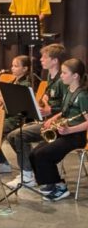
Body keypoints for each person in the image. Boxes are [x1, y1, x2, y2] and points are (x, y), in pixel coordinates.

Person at [5, 43, 67, 189]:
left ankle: (27, 175)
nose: (40, 60)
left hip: (57, 123)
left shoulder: (62, 79)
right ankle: (28, 171)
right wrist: (44, 100)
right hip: (47, 120)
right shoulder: (51, 76)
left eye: (45, 57)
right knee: (12, 136)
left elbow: (67, 106)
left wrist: (50, 110)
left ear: (55, 61)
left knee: (19, 135)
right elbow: (50, 96)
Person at [29, 58, 88, 202]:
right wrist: (53, 118)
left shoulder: (82, 96)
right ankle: (49, 184)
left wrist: (70, 130)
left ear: (75, 76)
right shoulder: (68, 90)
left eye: (64, 73)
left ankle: (60, 187)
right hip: (64, 131)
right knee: (34, 153)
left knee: (43, 154)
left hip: (76, 136)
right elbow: (65, 111)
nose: (61, 76)